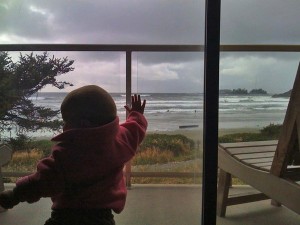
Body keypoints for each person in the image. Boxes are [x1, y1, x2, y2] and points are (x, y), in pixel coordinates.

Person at [0, 85, 147, 225]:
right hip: (102, 218)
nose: (64, 126)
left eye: (67, 121)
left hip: (66, 217)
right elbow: (135, 129)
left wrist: (15, 195)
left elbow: (42, 181)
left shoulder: (69, 154)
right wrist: (137, 114)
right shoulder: (120, 139)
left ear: (83, 124)